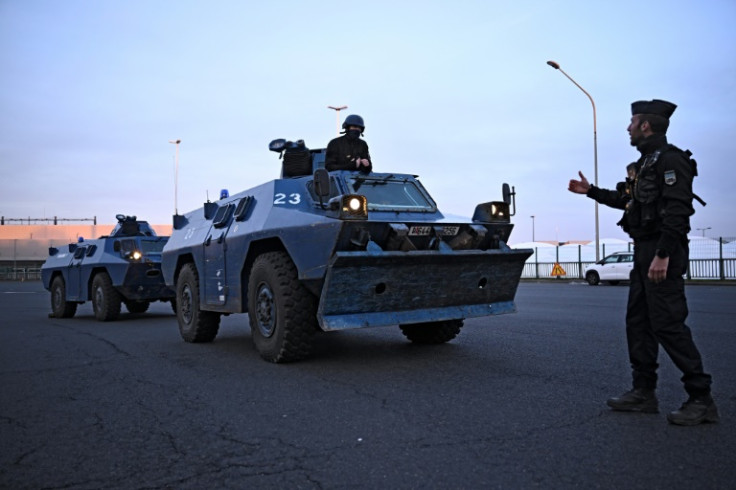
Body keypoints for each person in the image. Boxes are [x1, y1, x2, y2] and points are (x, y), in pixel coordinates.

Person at [568, 99, 718, 426]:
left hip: (662, 250)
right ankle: (643, 392)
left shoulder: (671, 160)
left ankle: (701, 398)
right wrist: (591, 191)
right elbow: (628, 201)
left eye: (632, 122)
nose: (628, 128)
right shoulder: (645, 164)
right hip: (643, 250)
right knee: (638, 321)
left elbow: (679, 211)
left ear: (645, 125)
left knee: (668, 323)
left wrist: (663, 254)